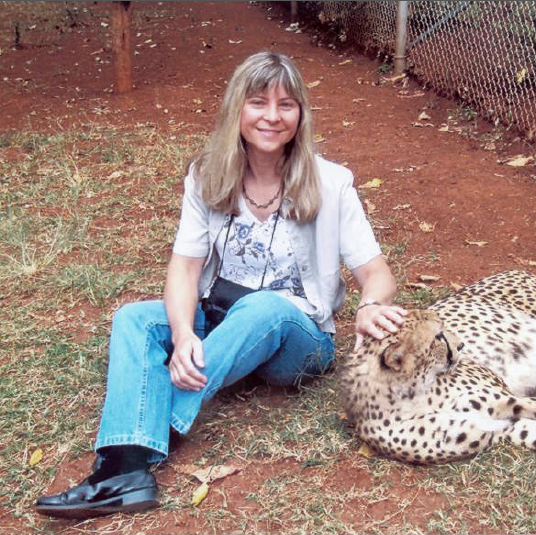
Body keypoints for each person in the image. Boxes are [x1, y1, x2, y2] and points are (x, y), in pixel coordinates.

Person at [35, 51, 406, 519]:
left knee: (266, 307)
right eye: (258, 102)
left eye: (286, 105)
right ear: (238, 109)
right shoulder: (208, 176)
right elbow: (185, 269)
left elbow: (377, 274)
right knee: (135, 318)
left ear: (300, 115)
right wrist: (186, 334)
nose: (272, 116)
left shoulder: (331, 184)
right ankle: (124, 468)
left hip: (299, 342)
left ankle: (151, 424)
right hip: (221, 321)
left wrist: (371, 304)